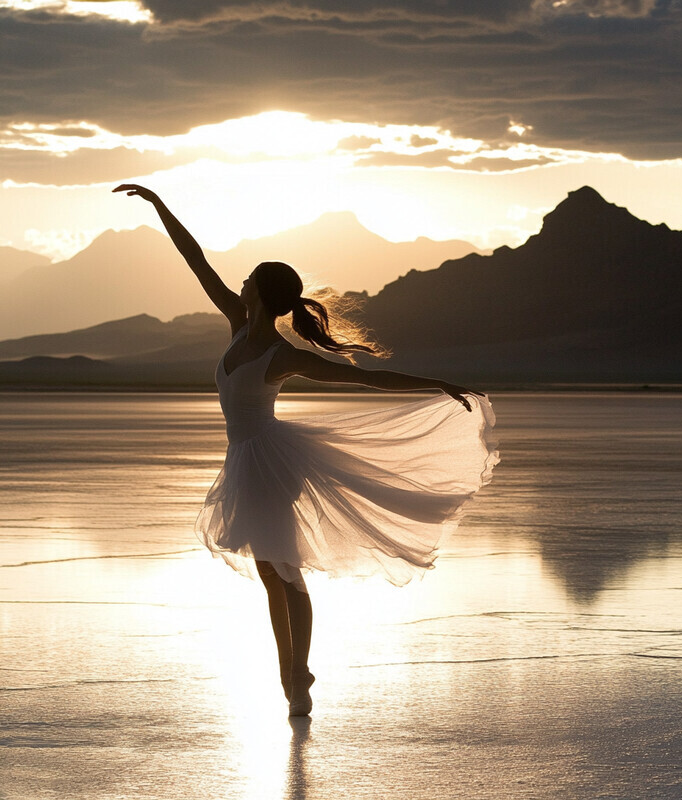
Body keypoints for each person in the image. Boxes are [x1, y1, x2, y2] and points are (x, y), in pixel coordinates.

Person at [113, 184, 499, 717]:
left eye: (249, 277)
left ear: (262, 293)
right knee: (272, 573)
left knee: (285, 570)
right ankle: (292, 672)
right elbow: (195, 260)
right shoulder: (235, 322)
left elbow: (369, 380)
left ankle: (296, 675)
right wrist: (160, 207)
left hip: (272, 463)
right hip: (243, 460)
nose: (240, 281)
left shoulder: (281, 354)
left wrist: (436, 382)